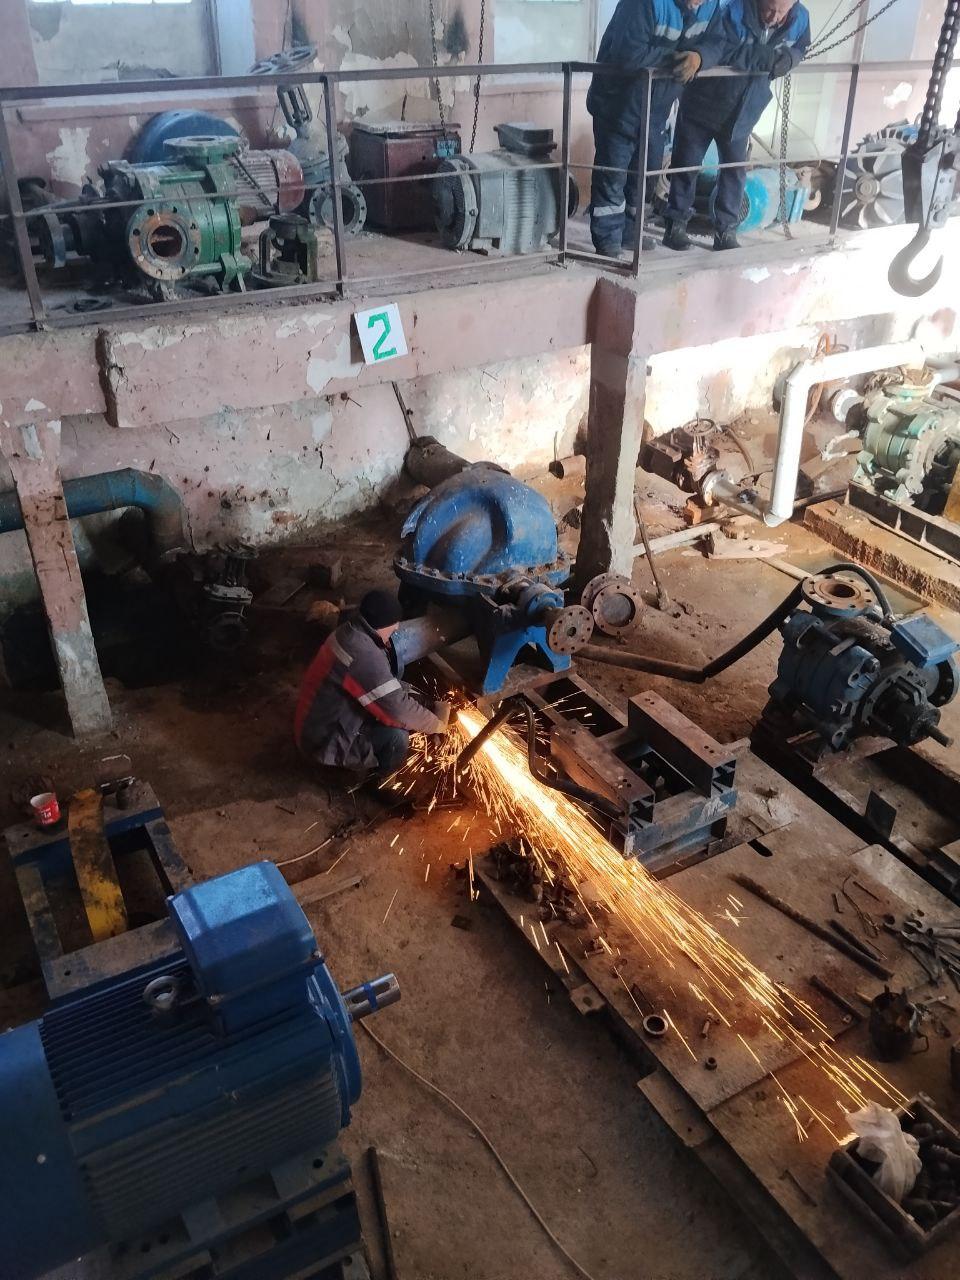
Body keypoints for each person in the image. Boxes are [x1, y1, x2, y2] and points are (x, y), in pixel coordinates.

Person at [662, 0, 810, 252]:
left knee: (734, 172)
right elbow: (720, 49)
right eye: (769, 9)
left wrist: (789, 59)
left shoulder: (800, 18)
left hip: (744, 110)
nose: (773, 17)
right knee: (686, 165)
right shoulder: (731, 10)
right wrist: (764, 58)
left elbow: (802, 46)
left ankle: (725, 231)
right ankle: (675, 225)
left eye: (781, 12)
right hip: (703, 102)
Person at [586, 0, 727, 257]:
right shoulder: (644, 3)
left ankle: (630, 233)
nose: (699, 2)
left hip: (656, 108)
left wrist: (699, 57)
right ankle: (607, 241)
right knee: (613, 176)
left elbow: (718, 42)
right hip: (617, 105)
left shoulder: (710, 6)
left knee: (644, 177)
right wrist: (677, 60)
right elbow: (628, 53)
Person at [295, 588, 450, 779]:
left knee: (399, 698)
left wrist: (427, 703)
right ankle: (374, 781)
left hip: (317, 721)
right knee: (396, 738)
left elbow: (383, 685)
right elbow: (397, 711)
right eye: (392, 629)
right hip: (320, 743)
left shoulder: (352, 629)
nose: (393, 633)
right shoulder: (363, 654)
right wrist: (437, 725)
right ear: (380, 625)